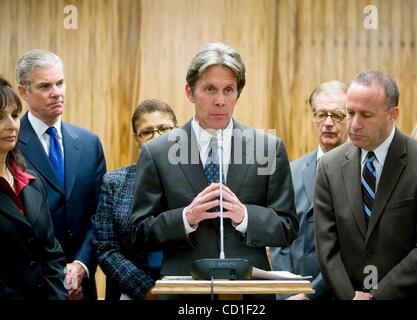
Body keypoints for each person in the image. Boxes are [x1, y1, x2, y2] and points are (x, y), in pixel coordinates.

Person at [130, 43, 298, 286]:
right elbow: (139, 232)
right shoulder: (157, 152)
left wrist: (245, 217)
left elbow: (288, 227)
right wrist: (186, 218)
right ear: (189, 92)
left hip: (249, 291)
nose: (220, 100)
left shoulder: (267, 148)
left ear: (238, 94)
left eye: (228, 90)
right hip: (182, 290)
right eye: (210, 89)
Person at [314, 70, 417, 300]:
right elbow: (327, 249)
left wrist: (377, 297)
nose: (354, 124)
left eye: (366, 115)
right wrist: (350, 297)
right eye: (350, 112)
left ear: (392, 115)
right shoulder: (328, 166)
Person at [16, 49, 106, 300]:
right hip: (32, 286)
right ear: (23, 92)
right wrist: (55, 273)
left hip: (82, 284)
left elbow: (100, 215)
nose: (56, 92)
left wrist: (81, 265)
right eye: (45, 86)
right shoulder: (9, 144)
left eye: (60, 83)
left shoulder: (90, 144)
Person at [270, 80, 348, 300]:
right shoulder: (292, 170)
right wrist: (288, 291)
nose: (329, 123)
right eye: (321, 114)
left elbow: (352, 248)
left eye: (338, 115)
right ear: (313, 118)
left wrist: (308, 295)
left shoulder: (363, 173)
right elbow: (280, 239)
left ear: (351, 117)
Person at [95, 99, 178, 300]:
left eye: (164, 129)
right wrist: (145, 290)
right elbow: (105, 247)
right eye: (147, 132)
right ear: (136, 139)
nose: (156, 137)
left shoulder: (195, 180)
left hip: (183, 289)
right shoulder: (114, 182)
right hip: (129, 291)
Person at [0, 75, 67, 300]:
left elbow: (52, 254)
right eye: (0, 117)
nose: (11, 125)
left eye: (15, 115)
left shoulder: (31, 181)